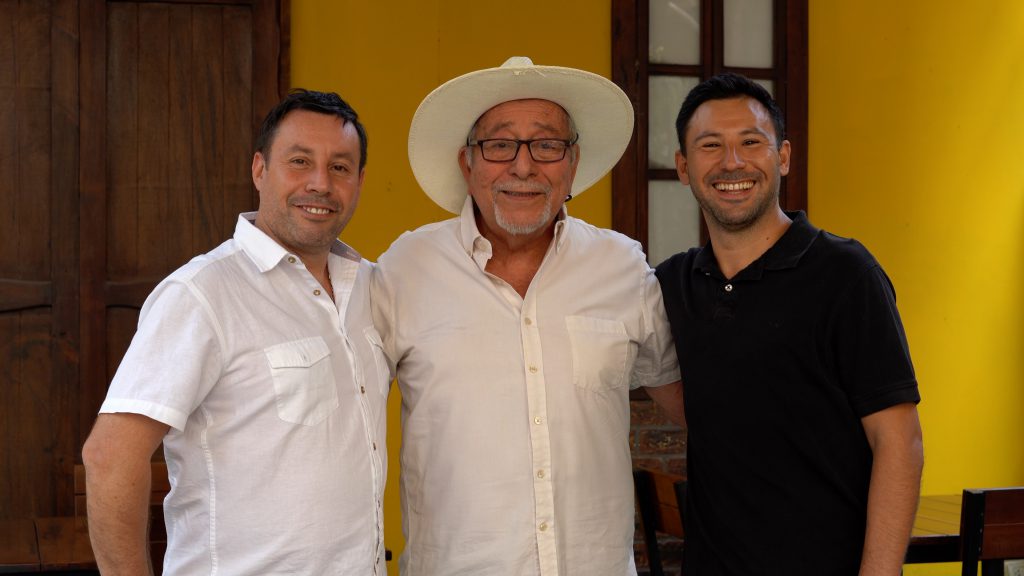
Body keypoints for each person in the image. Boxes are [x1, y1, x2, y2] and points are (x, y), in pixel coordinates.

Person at [371, 56, 683, 575]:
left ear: (573, 164)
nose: (522, 166)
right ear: (467, 164)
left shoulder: (622, 267)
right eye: (499, 145)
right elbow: (346, 411)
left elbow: (693, 405)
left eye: (547, 145)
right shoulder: (405, 269)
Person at [81, 90, 389, 575]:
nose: (320, 183)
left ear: (360, 181)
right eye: (300, 161)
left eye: (340, 167)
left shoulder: (370, 288)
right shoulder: (202, 293)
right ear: (259, 169)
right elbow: (109, 457)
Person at [655, 73, 924, 575]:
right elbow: (695, 403)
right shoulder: (672, 285)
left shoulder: (845, 274)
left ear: (782, 157)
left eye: (750, 142)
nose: (732, 162)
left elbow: (899, 442)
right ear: (684, 167)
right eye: (710, 145)